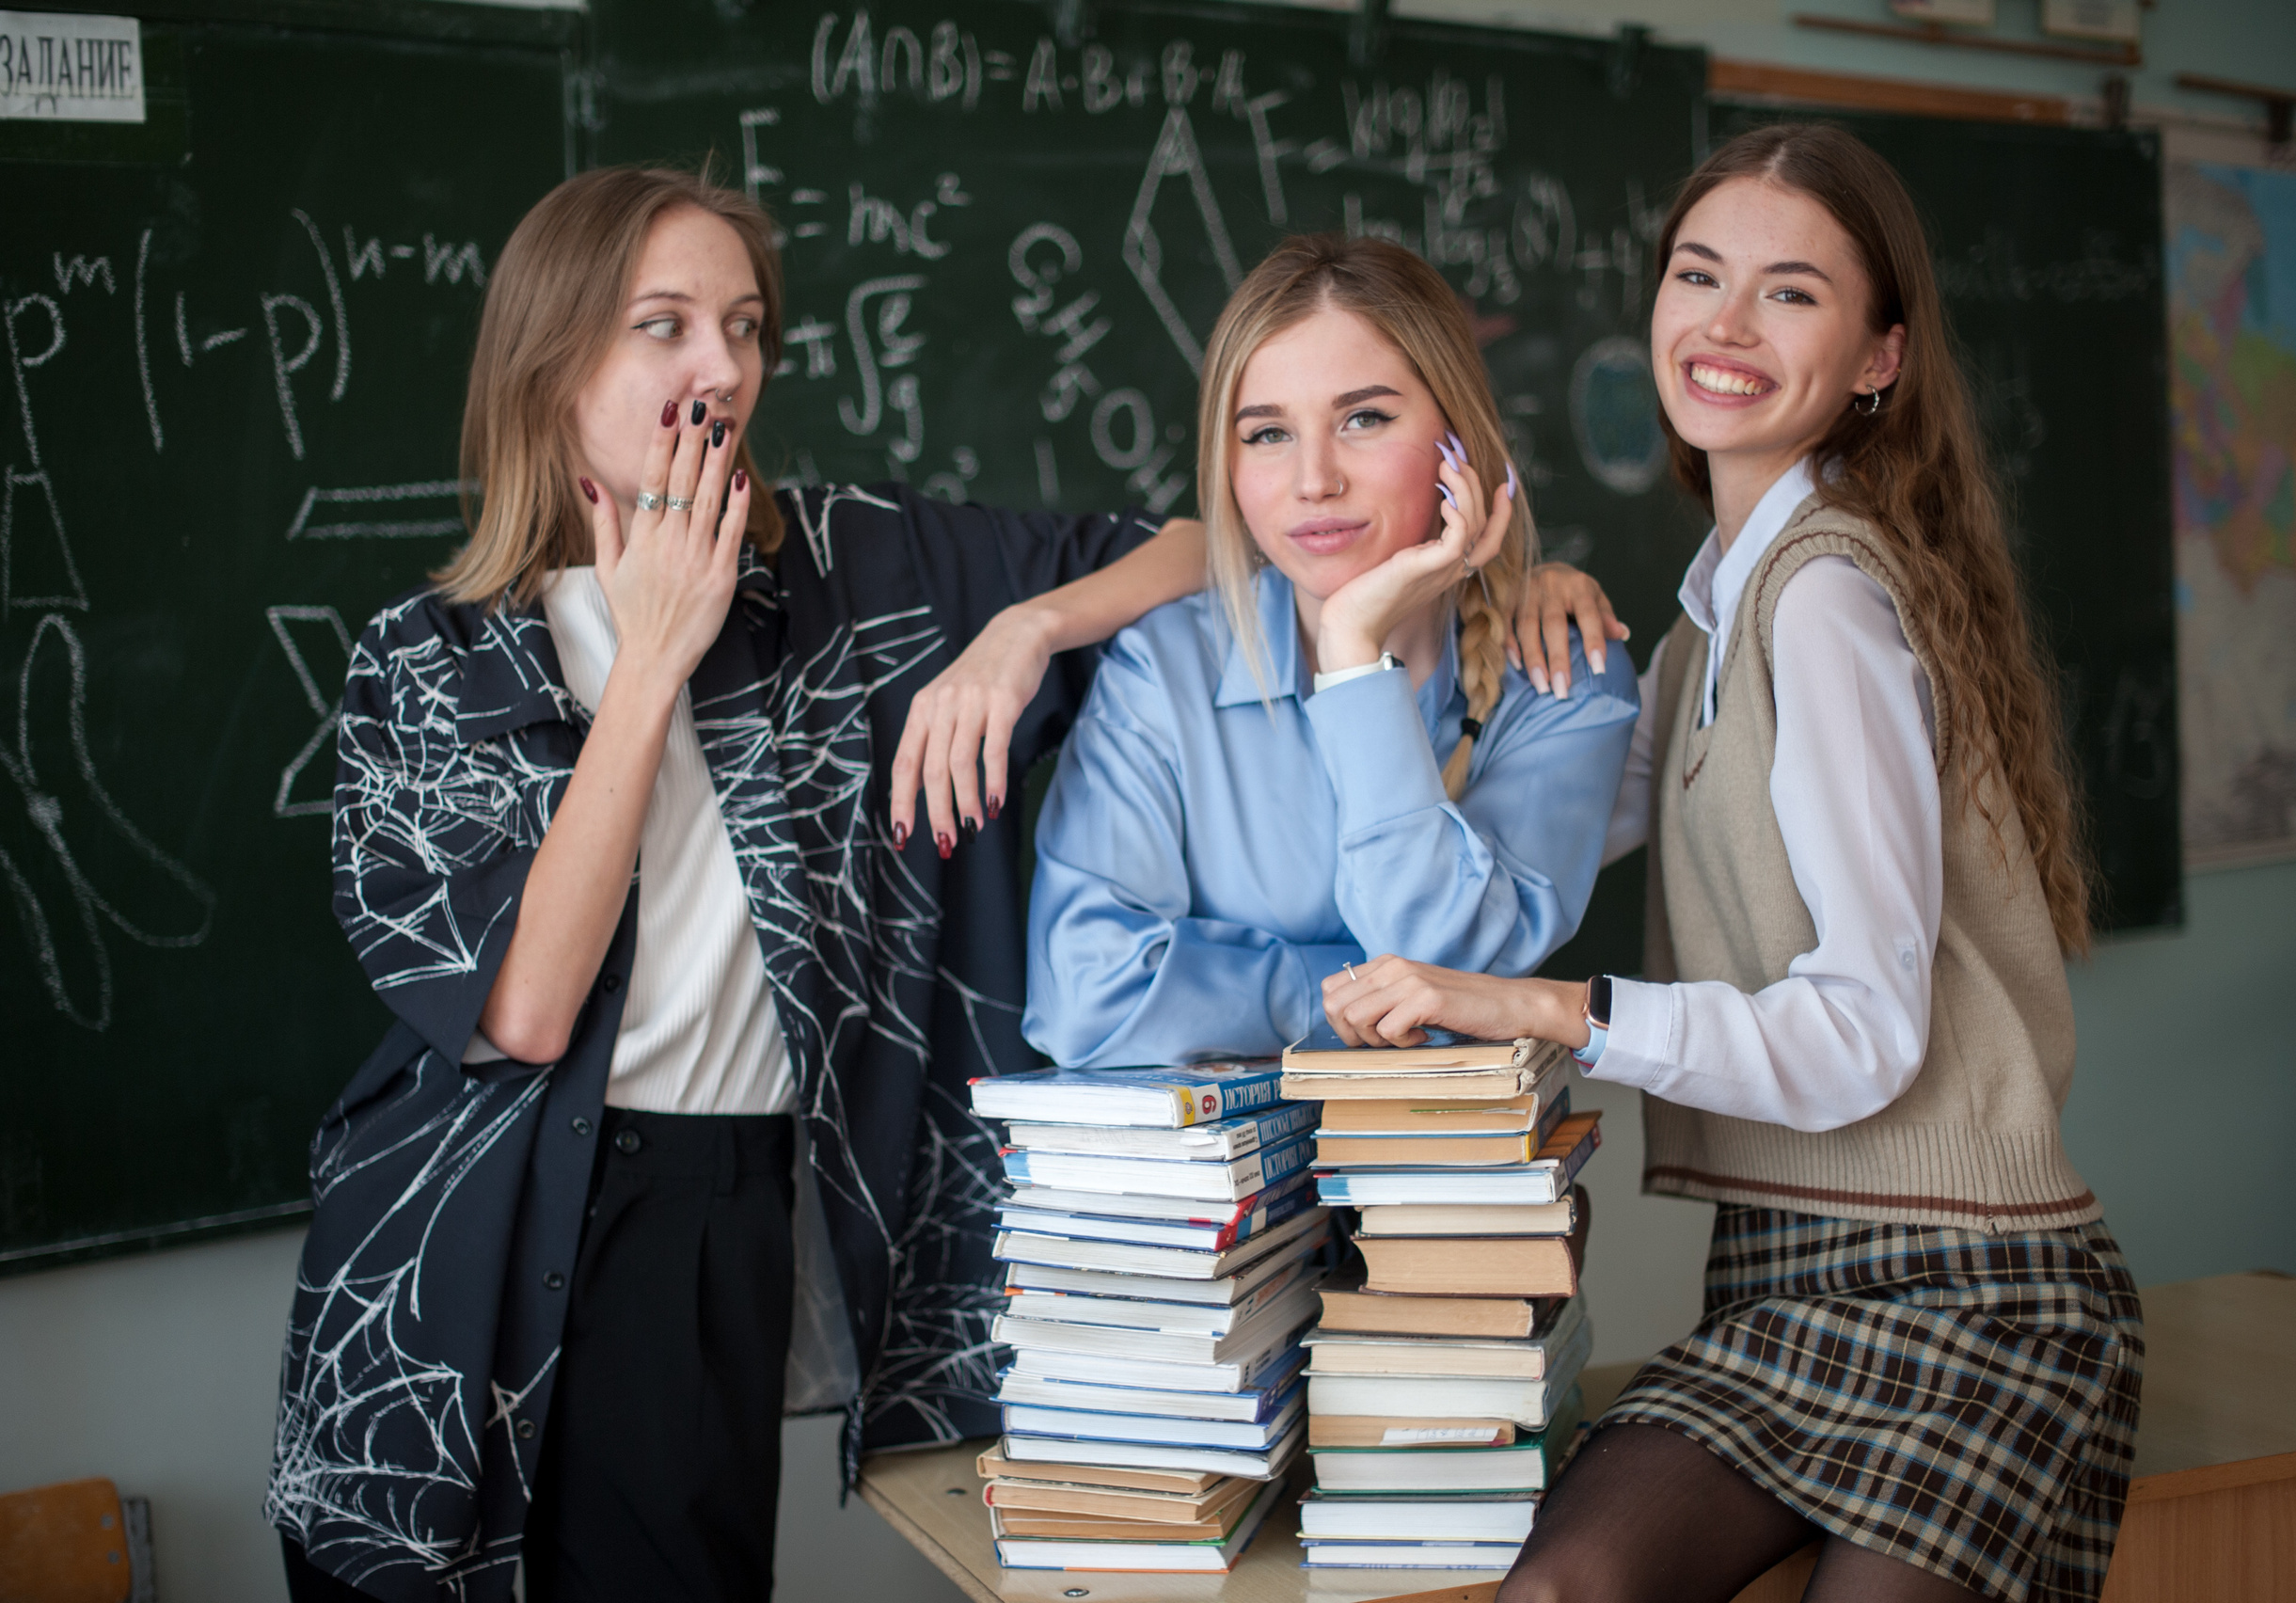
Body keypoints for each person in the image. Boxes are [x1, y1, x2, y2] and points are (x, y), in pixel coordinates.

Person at [263, 168, 1612, 1603]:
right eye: (665, 325)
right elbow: (524, 1010)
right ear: (551, 357)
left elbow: (1191, 549)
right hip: (446, 1240)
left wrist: (1023, 630)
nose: (722, 367)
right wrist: (652, 656)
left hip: (718, 1213)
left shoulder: (856, 569)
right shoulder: (429, 663)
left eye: (746, 326)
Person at [1321, 123, 2143, 1603]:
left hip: (1976, 1296)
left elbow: (1865, 1036)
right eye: (1699, 274)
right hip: (1778, 1291)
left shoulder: (1823, 600)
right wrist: (1417, 617)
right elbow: (1503, 889)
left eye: (1791, 292)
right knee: (1562, 1588)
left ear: (1879, 356)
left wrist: (1557, 1013)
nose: (1724, 324)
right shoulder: (1707, 624)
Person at [1023, 234, 1638, 1068]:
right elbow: (1084, 1002)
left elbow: (1451, 953)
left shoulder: (1562, 673)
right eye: (1268, 433)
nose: (1314, 478)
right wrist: (1358, 997)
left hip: (1450, 1189)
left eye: (1364, 418)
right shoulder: (1163, 668)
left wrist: (1353, 658)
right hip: (1210, 1193)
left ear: (1459, 437)